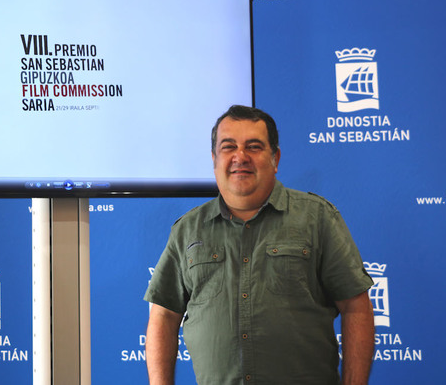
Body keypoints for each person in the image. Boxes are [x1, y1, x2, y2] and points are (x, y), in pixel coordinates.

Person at [144, 105, 375, 385]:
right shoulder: (187, 230)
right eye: (229, 147)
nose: (240, 157)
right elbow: (164, 317)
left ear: (275, 158)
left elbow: (356, 308)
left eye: (253, 147)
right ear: (215, 159)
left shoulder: (318, 218)